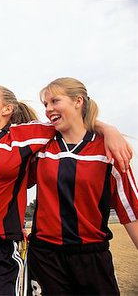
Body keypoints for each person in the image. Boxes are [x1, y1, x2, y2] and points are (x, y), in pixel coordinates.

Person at [0, 7, 133, 295]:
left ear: (7, 109)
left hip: (0, 247)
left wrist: (107, 129)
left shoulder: (28, 135)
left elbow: (71, 121)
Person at [24, 77, 138, 295]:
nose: (48, 109)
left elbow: (130, 210)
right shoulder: (41, 146)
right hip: (45, 258)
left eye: (55, 101)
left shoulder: (108, 151)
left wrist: (107, 130)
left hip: (91, 257)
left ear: (78, 101)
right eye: (45, 104)